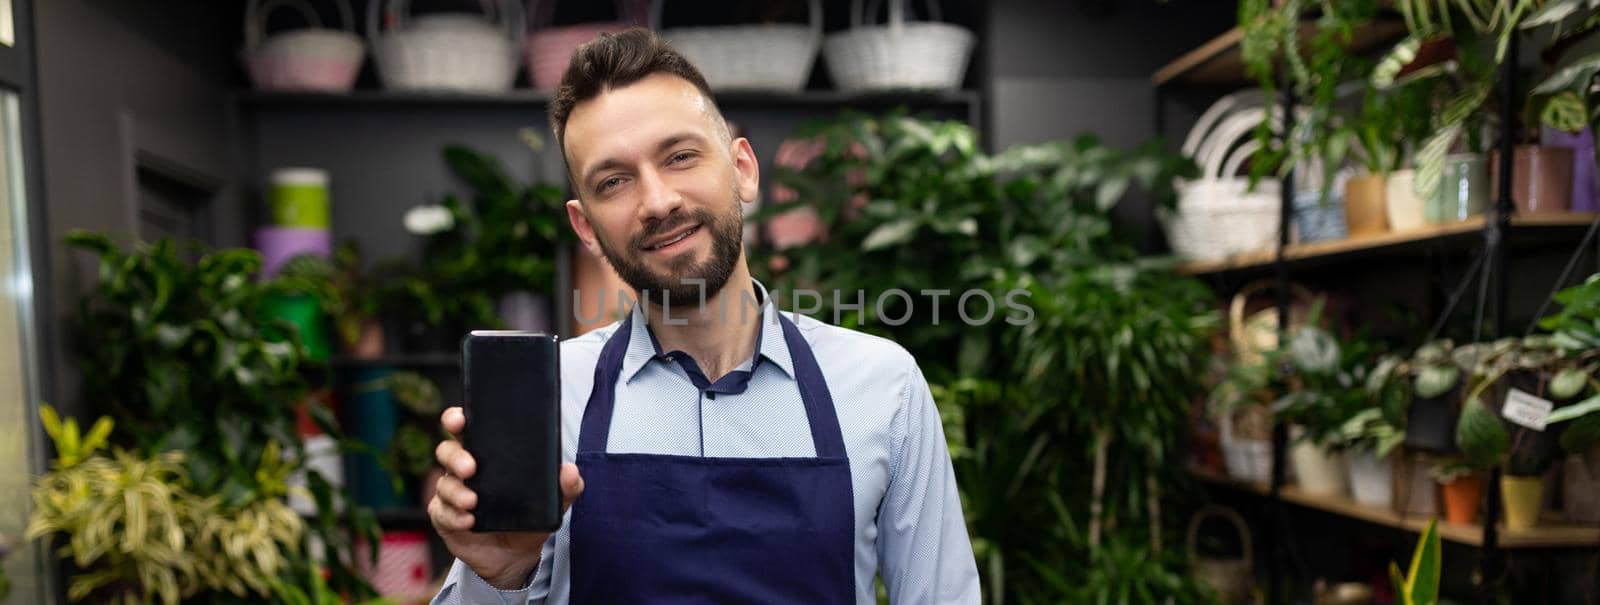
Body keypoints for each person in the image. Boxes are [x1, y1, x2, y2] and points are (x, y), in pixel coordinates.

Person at [428, 28, 980, 604]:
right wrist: (498, 579)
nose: (659, 201)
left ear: (743, 169)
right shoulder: (553, 398)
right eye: (614, 181)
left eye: (681, 156)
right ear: (586, 228)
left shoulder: (881, 386)